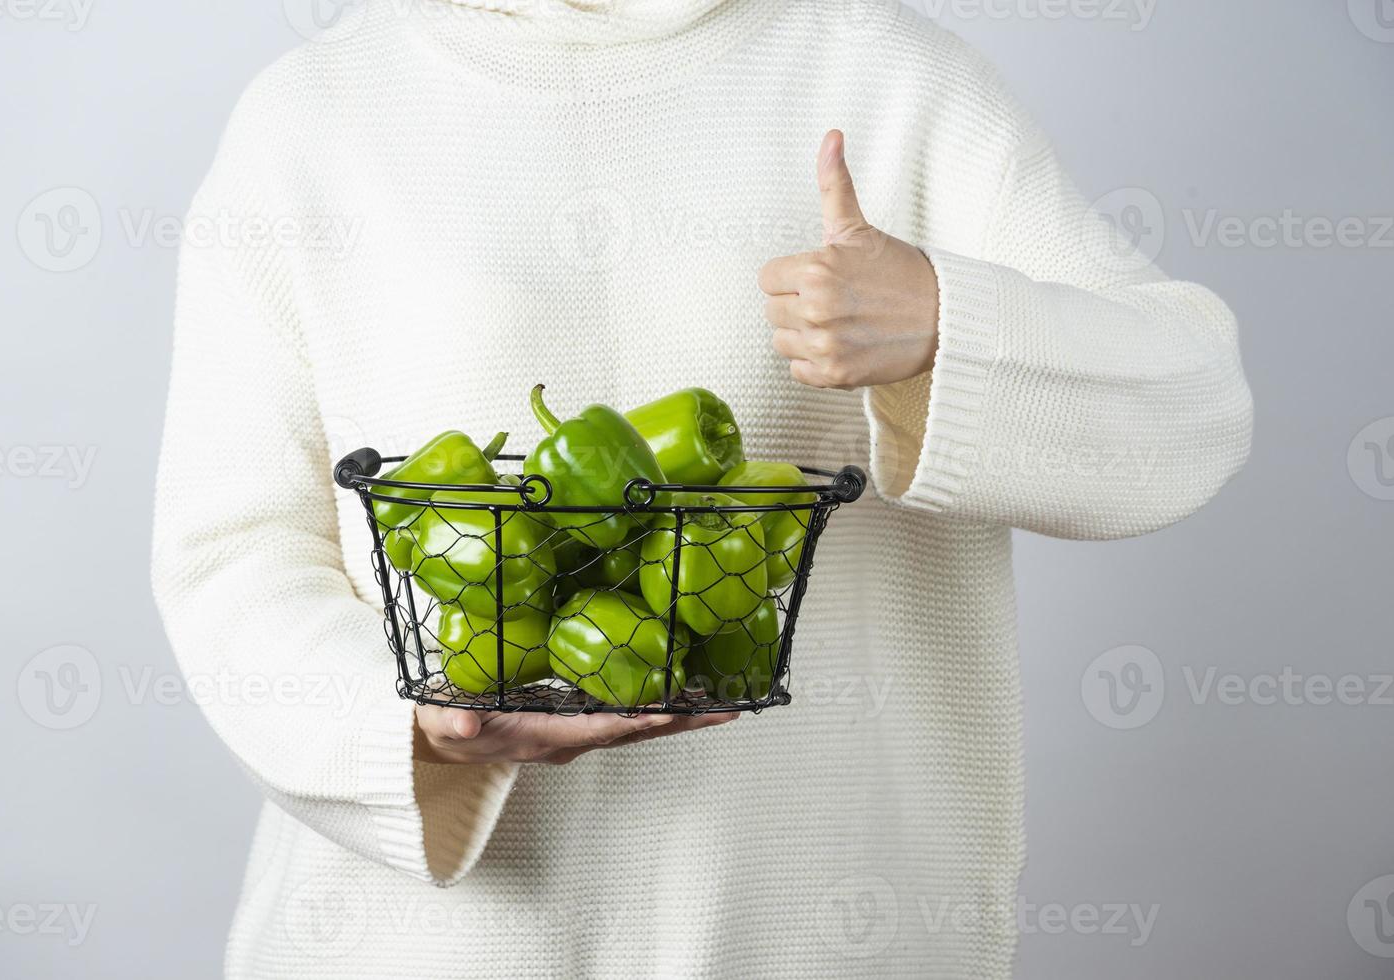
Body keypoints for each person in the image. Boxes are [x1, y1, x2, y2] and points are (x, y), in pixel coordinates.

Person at [151, 1, 1252, 976]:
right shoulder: (312, 112)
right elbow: (231, 556)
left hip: (829, 934)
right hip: (420, 946)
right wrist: (416, 725)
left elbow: (1191, 414)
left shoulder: (892, 76)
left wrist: (943, 323)